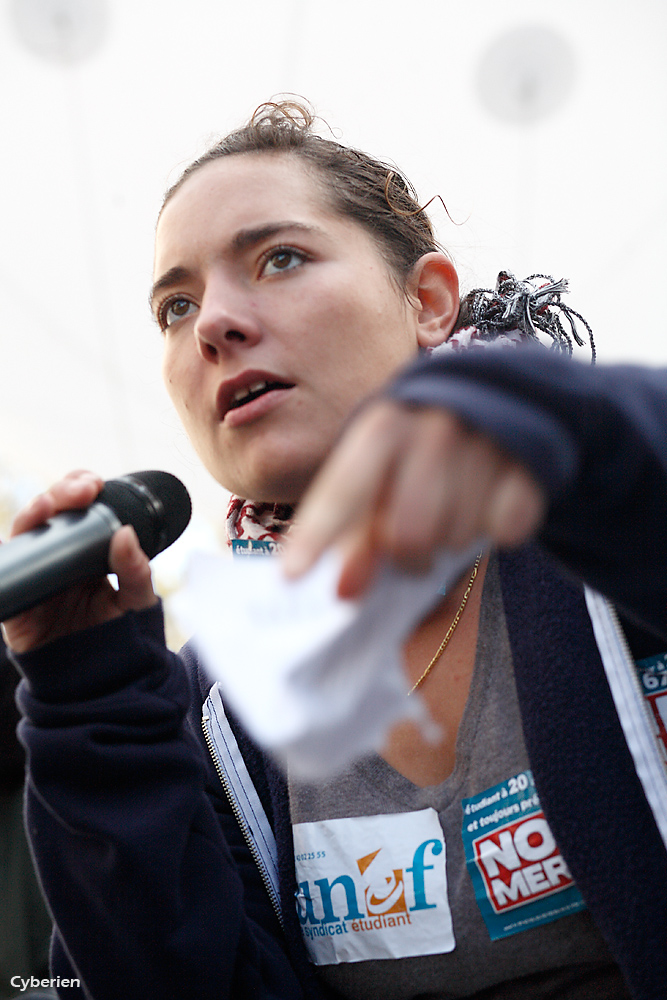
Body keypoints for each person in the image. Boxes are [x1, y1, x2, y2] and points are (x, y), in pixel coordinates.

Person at [3, 100, 667, 1000]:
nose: (213, 325)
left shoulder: (610, 529)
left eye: (280, 258)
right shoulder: (209, 711)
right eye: (175, 305)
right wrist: (89, 706)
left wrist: (560, 431)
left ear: (428, 302)